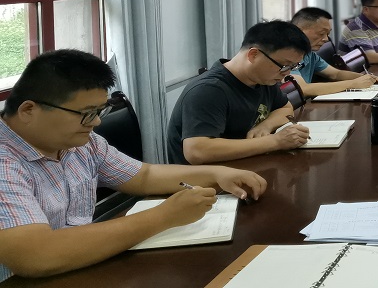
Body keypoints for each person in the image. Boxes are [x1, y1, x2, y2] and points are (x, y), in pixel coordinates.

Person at [0, 50, 267, 281]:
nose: (96, 123)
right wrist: (164, 216)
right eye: (86, 114)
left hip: (82, 265)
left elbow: (144, 175)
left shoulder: (81, 143)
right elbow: (36, 255)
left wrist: (218, 173)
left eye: (99, 111)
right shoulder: (6, 163)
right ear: (28, 110)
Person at [167, 20, 313, 165]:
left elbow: (285, 108)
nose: (287, 73)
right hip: (209, 177)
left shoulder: (264, 79)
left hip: (246, 166)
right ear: (253, 55)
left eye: (293, 67)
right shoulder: (209, 90)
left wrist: (265, 125)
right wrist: (275, 141)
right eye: (284, 66)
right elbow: (197, 151)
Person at [289, 7, 378, 98]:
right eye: (321, 33)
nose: (326, 39)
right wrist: (352, 84)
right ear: (299, 30)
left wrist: (368, 78)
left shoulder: (310, 54)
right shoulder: (287, 56)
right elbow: (303, 89)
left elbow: (335, 74)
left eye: (327, 34)